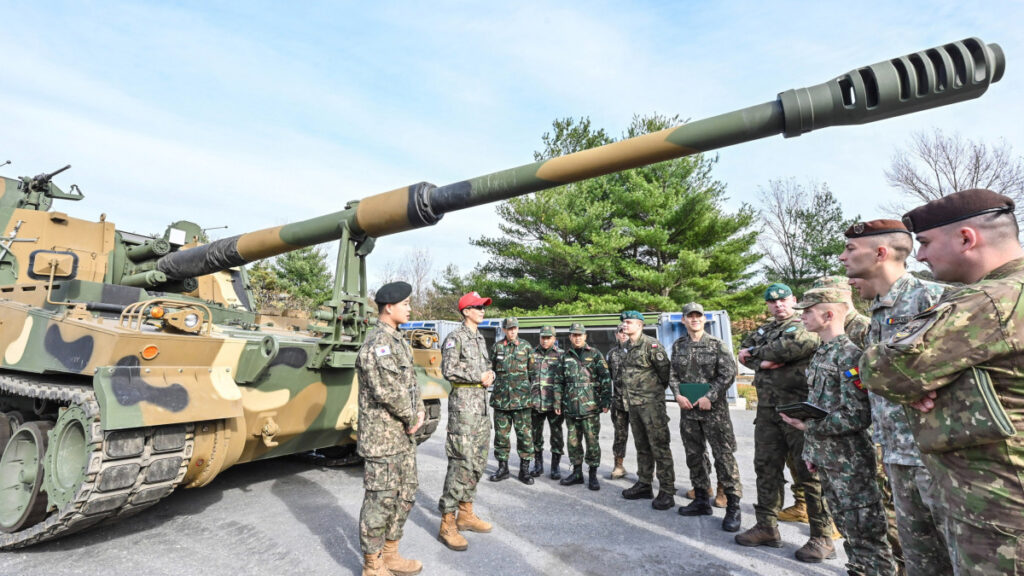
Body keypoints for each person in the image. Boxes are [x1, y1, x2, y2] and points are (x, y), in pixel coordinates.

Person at [862, 189, 1024, 574]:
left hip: (1000, 513)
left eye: (926, 243)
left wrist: (925, 382)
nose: (919, 256)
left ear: (967, 238)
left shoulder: (991, 301)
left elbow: (881, 368)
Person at [841, 219, 952, 575]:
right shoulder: (878, 309)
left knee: (957, 558)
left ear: (880, 253)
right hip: (897, 454)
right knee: (920, 561)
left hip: (936, 459)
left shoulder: (933, 297)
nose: (843, 258)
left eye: (850, 249)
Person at [782, 288, 897, 575]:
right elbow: (818, 405)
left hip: (851, 463)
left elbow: (858, 415)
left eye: (808, 311)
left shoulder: (849, 355)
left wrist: (809, 426)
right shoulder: (823, 351)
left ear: (829, 314)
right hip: (828, 458)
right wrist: (812, 449)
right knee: (847, 530)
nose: (803, 316)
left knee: (867, 536)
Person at [734, 283, 835, 563]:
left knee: (809, 473)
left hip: (799, 407)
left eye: (783, 300)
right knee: (766, 467)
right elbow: (745, 349)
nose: (778, 304)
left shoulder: (804, 324)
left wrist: (762, 356)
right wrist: (764, 360)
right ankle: (767, 526)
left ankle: (822, 536)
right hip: (768, 409)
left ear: (793, 300)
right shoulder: (766, 330)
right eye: (772, 301)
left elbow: (793, 346)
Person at [356, 281, 425, 576]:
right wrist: (412, 417)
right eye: (406, 304)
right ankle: (372, 564)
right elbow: (387, 391)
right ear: (389, 307)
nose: (410, 308)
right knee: (380, 499)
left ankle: (391, 553)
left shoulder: (399, 341)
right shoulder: (377, 345)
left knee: (406, 493)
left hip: (402, 435)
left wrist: (420, 409)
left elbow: (411, 384)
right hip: (382, 438)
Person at [670, 302, 742, 532]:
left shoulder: (716, 345)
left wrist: (710, 396)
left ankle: (732, 505)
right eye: (690, 317)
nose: (694, 320)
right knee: (695, 455)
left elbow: (729, 373)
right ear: (683, 320)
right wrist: (677, 395)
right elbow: (672, 374)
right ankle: (701, 498)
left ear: (704, 320)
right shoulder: (679, 345)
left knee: (724, 456)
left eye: (698, 316)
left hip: (714, 412)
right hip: (688, 410)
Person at [437, 291, 496, 552]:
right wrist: (479, 374)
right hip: (464, 412)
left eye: (483, 307)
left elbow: (486, 367)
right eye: (477, 307)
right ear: (465, 311)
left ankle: (466, 513)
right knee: (461, 464)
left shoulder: (480, 338)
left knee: (478, 462)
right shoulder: (455, 338)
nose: (482, 311)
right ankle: (447, 522)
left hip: (481, 410)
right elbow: (448, 369)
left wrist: (491, 373)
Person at [618, 310, 676, 510]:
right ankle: (644, 483)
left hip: (651, 406)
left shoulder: (652, 345)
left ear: (640, 325)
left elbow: (665, 374)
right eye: (624, 322)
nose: (625, 325)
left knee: (659, 446)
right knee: (642, 446)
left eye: (628, 322)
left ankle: (667, 491)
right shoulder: (626, 347)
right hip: (633, 405)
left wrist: (652, 395)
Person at [559, 322, 612, 490]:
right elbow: (559, 381)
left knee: (592, 441)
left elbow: (605, 377)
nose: (577, 337)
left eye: (580, 334)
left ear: (585, 336)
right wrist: (557, 402)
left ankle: (593, 474)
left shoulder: (595, 354)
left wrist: (606, 400)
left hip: (590, 406)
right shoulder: (565, 356)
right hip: (571, 406)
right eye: (574, 335)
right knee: (573, 442)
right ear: (570, 337)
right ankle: (576, 473)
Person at [489, 317, 536, 485]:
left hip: (522, 401)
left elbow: (533, 373)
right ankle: (503, 468)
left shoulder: (526, 347)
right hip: (501, 400)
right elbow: (491, 370)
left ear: (518, 329)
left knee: (525, 436)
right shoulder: (497, 347)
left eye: (514, 328)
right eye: (509, 329)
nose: (512, 331)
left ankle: (524, 470)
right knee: (501, 436)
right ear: (504, 330)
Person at [530, 324, 565, 480]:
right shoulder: (531, 355)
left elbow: (565, 380)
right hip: (535, 402)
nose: (545, 341)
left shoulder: (562, 355)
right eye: (543, 337)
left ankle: (555, 466)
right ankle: (538, 465)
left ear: (554, 339)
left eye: (548, 338)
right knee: (536, 435)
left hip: (554, 404)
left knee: (556, 435)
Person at [606, 324, 632, 480]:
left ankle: (646, 469)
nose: (623, 334)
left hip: (638, 403)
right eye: (620, 332)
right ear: (616, 335)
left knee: (643, 438)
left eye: (625, 331)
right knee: (620, 435)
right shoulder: (612, 354)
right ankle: (619, 465)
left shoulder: (640, 351)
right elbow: (607, 377)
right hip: (619, 402)